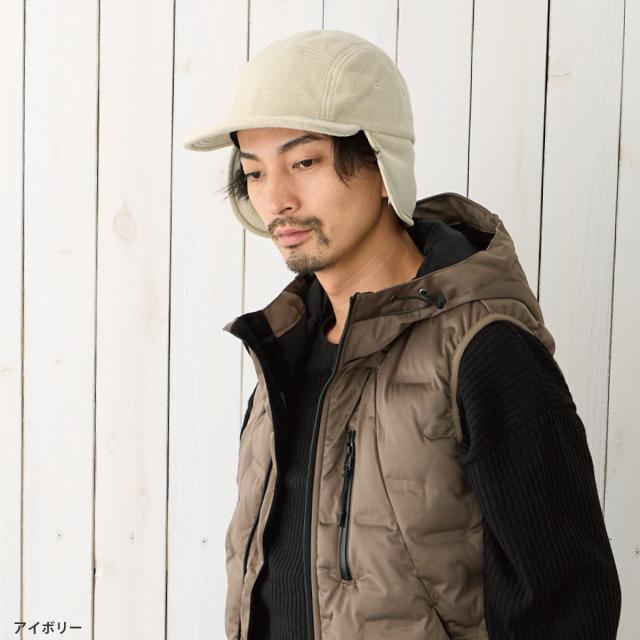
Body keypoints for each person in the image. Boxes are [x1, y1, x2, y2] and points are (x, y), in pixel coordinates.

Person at [183, 29, 621, 640]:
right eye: (255, 173)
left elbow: (567, 603)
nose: (275, 199)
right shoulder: (284, 349)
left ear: (382, 163)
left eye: (304, 162)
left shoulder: (484, 348)